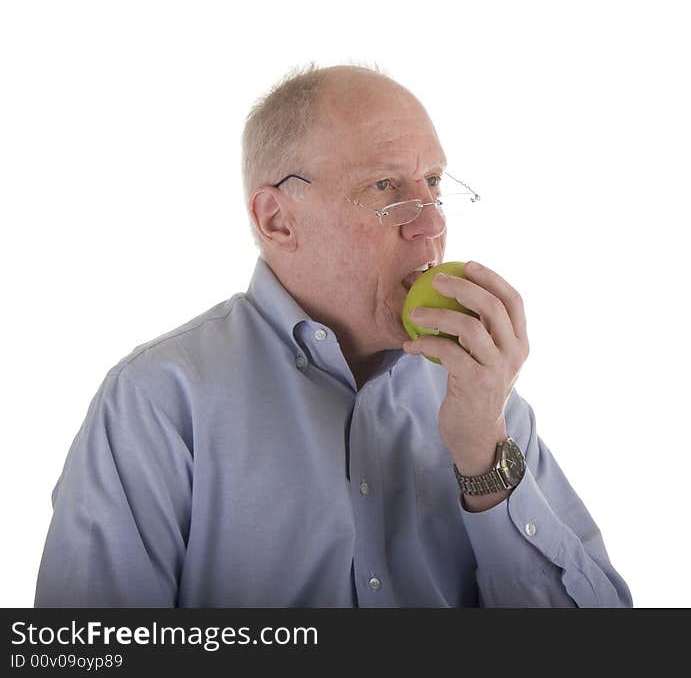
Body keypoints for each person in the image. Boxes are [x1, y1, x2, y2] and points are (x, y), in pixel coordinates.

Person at [34, 64, 632, 607]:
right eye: (384, 188)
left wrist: (483, 458)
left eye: (432, 182)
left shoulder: (481, 396)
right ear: (278, 220)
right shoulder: (157, 402)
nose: (431, 222)